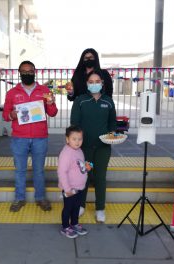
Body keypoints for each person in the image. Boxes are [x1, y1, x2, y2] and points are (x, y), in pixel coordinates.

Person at [3, 60, 58, 212]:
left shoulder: (44, 90)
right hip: (19, 138)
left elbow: (53, 113)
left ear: (35, 72)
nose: (27, 74)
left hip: (40, 137)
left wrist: (51, 103)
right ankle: (19, 198)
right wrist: (12, 114)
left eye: (30, 71)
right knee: (20, 170)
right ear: (19, 73)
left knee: (39, 170)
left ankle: (40, 198)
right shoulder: (12, 93)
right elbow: (5, 116)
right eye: (24, 71)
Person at [70, 70, 116, 223]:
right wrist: (76, 143)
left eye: (97, 81)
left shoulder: (108, 101)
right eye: (91, 81)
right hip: (83, 147)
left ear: (102, 83)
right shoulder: (80, 101)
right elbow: (74, 124)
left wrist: (112, 135)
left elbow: (112, 124)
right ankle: (80, 205)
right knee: (83, 176)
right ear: (87, 84)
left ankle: (100, 208)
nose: (94, 84)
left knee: (100, 178)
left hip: (103, 147)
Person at [58, 125, 90, 238]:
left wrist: (86, 167)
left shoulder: (79, 150)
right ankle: (65, 226)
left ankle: (74, 223)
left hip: (79, 186)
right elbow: (62, 172)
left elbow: (78, 166)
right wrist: (67, 189)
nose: (77, 142)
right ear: (67, 139)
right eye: (74, 139)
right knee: (68, 208)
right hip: (70, 188)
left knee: (76, 207)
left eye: (80, 139)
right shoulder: (66, 153)